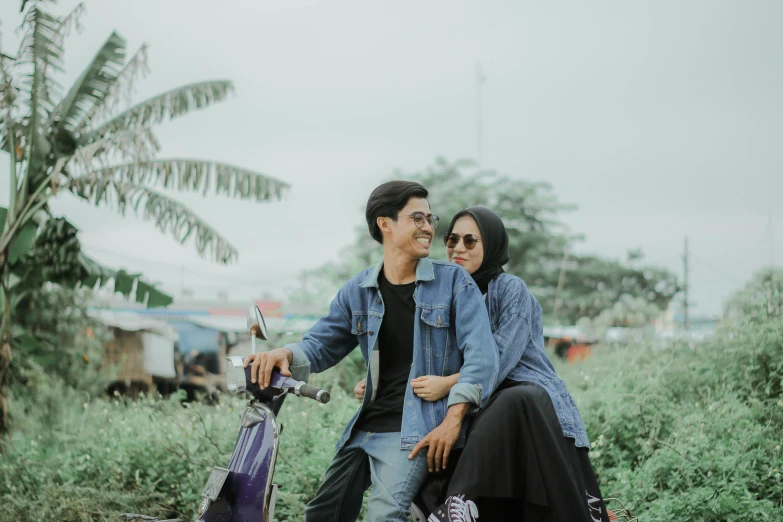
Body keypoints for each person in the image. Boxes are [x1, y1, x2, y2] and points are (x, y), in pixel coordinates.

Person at [243, 182, 499, 522]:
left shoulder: (453, 282)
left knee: (384, 516)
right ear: (385, 224)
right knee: (322, 514)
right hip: (363, 426)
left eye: (429, 218)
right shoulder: (359, 290)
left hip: (411, 429)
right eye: (418, 218)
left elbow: (483, 358)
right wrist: (285, 355)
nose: (428, 227)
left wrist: (453, 421)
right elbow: (321, 343)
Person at [356, 206, 610, 522]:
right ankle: (424, 501)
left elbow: (499, 361)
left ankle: (453, 509)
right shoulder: (443, 293)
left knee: (515, 398)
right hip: (477, 409)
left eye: (470, 241)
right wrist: (384, 382)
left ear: (489, 246)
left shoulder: (510, 289)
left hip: (530, 407)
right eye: (452, 240)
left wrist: (448, 384)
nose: (458, 248)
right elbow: (426, 356)